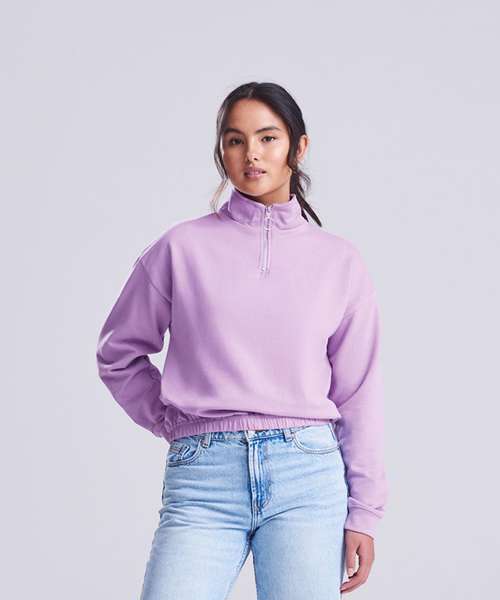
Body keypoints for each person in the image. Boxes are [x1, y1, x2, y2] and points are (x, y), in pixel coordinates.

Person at [96, 81, 388, 599]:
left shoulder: (339, 261)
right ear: (222, 151)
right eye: (235, 140)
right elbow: (118, 353)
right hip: (203, 480)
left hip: (307, 478)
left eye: (267, 138)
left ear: (298, 146)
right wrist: (170, 420)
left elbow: (358, 392)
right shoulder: (181, 248)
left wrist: (364, 511)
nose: (251, 153)